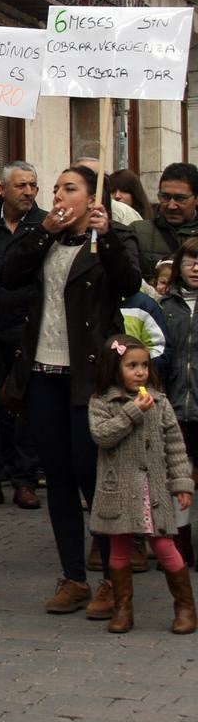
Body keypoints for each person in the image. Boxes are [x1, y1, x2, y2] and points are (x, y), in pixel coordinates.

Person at [2, 165, 142, 618]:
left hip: (89, 377)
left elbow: (127, 285)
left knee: (90, 472)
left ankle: (110, 578)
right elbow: (9, 273)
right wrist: (42, 231)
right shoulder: (44, 237)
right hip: (43, 371)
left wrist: (110, 237)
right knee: (58, 475)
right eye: (56, 188)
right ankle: (74, 577)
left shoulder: (110, 240)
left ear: (91, 197)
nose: (59, 196)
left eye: (70, 188)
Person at [88, 334, 195, 634]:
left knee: (164, 546)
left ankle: (185, 606)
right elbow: (103, 435)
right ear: (114, 368)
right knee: (119, 548)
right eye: (131, 365)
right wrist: (134, 411)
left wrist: (182, 484)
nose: (140, 372)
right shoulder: (102, 402)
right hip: (119, 492)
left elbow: (175, 446)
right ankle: (123, 608)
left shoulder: (160, 402)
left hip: (153, 492)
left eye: (144, 366)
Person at [0, 161, 45, 511]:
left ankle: (25, 480)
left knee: (24, 403)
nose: (29, 192)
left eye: (33, 185)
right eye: (22, 186)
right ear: (2, 189)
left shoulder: (44, 224)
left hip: (28, 325)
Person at [155, 237, 198, 569]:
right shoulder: (165, 307)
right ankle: (180, 544)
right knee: (178, 478)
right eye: (189, 261)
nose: (195, 268)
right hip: (174, 406)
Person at [133, 162, 198, 280]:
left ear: (196, 198)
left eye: (180, 198)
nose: (171, 205)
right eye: (165, 197)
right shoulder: (137, 232)